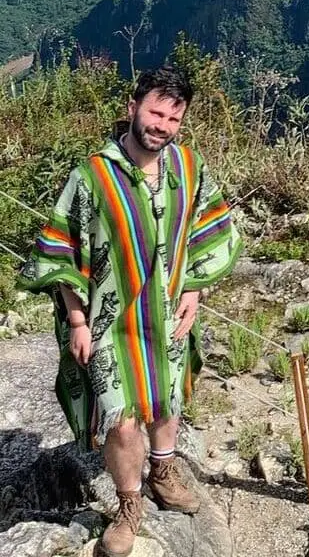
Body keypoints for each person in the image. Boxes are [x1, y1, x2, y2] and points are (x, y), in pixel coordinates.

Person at [18, 66, 241, 557]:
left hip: (168, 313)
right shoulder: (92, 176)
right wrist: (77, 320)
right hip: (109, 322)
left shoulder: (189, 168)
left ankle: (161, 469)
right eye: (155, 112)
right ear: (132, 108)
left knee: (165, 400)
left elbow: (210, 230)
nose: (161, 124)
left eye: (172, 117)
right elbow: (62, 249)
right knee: (119, 419)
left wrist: (195, 291)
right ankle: (128, 504)